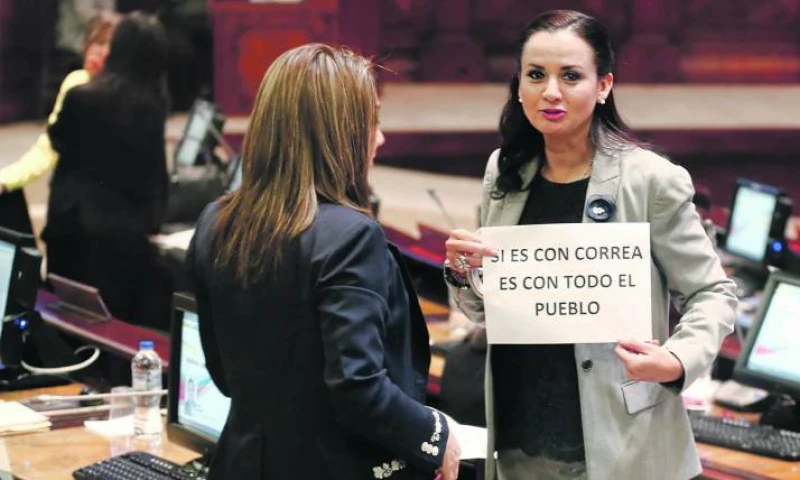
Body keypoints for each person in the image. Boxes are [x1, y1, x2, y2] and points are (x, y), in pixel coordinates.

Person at [442, 10, 737, 480]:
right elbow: (492, 313)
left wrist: (678, 360)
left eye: (571, 76)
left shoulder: (650, 180)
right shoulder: (505, 171)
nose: (550, 92)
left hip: (623, 452)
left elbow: (713, 294)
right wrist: (466, 273)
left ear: (603, 86)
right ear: (518, 84)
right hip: (520, 447)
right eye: (536, 75)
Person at [186, 43, 461, 480]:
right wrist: (434, 432)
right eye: (372, 122)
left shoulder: (216, 221)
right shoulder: (351, 236)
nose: (381, 139)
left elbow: (221, 374)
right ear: (339, 132)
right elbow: (358, 388)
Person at [44, 11, 170, 330]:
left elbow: (57, 138)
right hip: (127, 231)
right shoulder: (155, 102)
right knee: (116, 324)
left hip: (76, 225)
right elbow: (155, 169)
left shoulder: (83, 96)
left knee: (70, 318)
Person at [0, 11, 120, 194]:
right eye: (96, 42)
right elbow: (49, 147)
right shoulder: (77, 83)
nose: (99, 51)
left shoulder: (131, 96)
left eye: (108, 45)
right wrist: (6, 180)